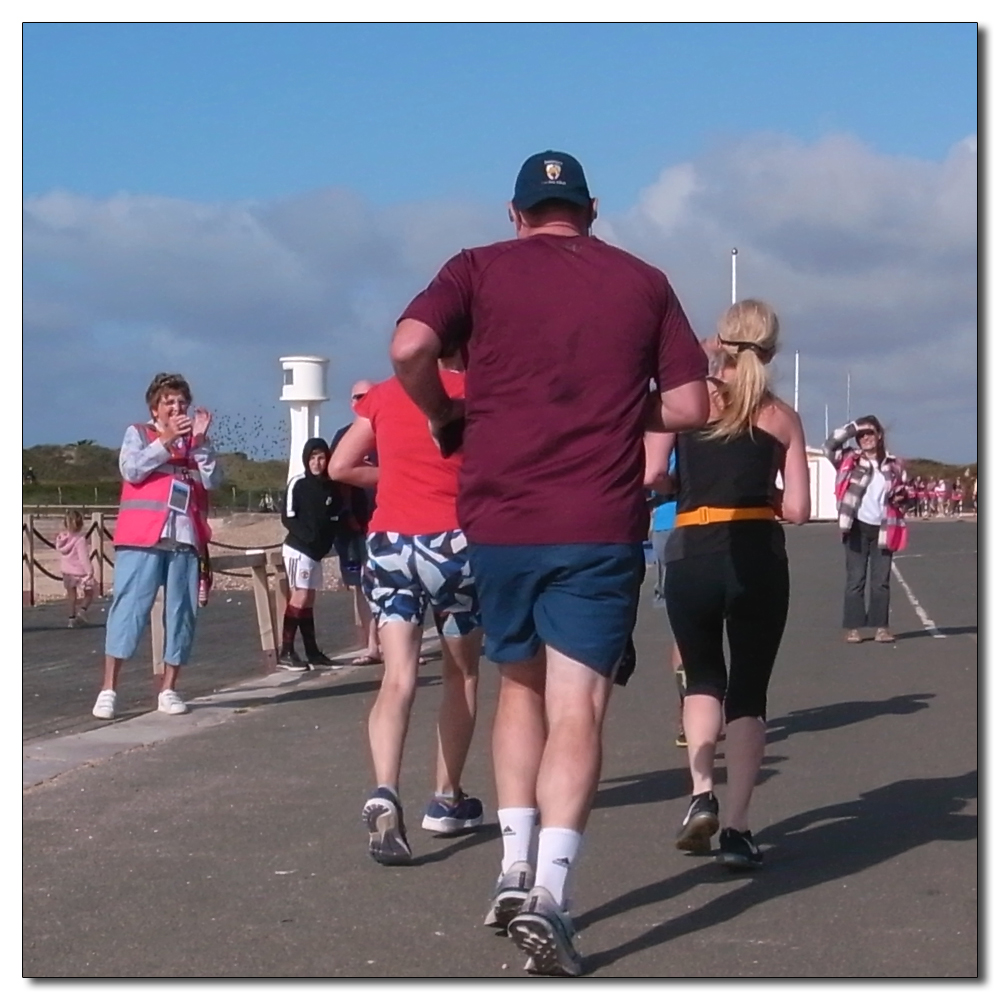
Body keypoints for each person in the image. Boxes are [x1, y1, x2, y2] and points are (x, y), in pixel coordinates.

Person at [387, 150, 709, 975]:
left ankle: (511, 866)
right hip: (596, 523)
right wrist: (609, 400)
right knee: (580, 706)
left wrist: (443, 416)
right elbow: (689, 404)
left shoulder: (475, 269)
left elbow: (409, 346)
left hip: (499, 519)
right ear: (592, 209)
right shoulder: (643, 280)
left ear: (515, 211)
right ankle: (554, 896)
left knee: (517, 685)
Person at [656, 299, 809, 872]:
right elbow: (797, 509)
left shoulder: (690, 405)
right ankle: (739, 827)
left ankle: (701, 792)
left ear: (719, 343)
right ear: (771, 351)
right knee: (749, 691)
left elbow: (650, 475)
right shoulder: (782, 417)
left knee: (701, 677)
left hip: (693, 549)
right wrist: (759, 493)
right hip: (756, 553)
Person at [328, 355, 484, 865]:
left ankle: (385, 789)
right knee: (461, 673)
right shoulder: (479, 390)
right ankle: (447, 797)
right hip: (453, 542)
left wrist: (393, 471)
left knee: (397, 676)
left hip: (391, 543)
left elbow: (340, 466)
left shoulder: (385, 395)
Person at [92, 373, 222, 720]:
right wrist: (165, 441)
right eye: (170, 402)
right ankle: (109, 689)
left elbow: (214, 480)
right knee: (128, 610)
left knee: (181, 614)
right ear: (155, 407)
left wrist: (202, 442)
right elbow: (131, 471)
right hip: (141, 539)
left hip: (183, 539)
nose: (177, 408)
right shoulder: (137, 433)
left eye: (182, 402)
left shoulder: (196, 443)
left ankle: (169, 688)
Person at [823, 415, 908, 644]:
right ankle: (853, 627)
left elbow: (906, 496)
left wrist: (902, 498)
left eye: (870, 433)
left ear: (879, 435)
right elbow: (829, 445)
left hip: (884, 527)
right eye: (861, 435)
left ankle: (881, 627)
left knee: (881, 581)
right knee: (856, 579)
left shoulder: (894, 465)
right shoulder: (849, 459)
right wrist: (853, 428)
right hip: (856, 526)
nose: (865, 438)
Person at [278, 437, 342, 671]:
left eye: (321, 457)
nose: (317, 462)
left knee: (309, 600)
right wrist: (308, 538)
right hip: (297, 548)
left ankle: (312, 651)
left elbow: (334, 518)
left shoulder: (331, 487)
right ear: (306, 459)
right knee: (300, 596)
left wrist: (323, 544)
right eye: (313, 457)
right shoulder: (298, 483)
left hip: (316, 554)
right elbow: (288, 516)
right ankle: (285, 651)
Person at [330, 380, 382, 666]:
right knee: (361, 586)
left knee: (391, 583)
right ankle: (371, 645)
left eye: (367, 396)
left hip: (388, 520)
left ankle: (394, 645)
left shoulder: (390, 429)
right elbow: (333, 479)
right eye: (357, 397)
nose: (362, 400)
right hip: (354, 525)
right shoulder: (342, 436)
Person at [645, 441, 687, 747]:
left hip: (669, 520)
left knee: (682, 625)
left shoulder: (666, 423)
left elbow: (654, 474)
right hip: (688, 518)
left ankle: (690, 711)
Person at [55, 509, 95, 627]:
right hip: (80, 572)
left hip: (67, 571)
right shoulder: (80, 540)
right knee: (90, 593)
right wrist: (90, 571)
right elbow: (83, 558)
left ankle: (71, 619)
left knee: (71, 596)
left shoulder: (62, 539)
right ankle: (82, 612)